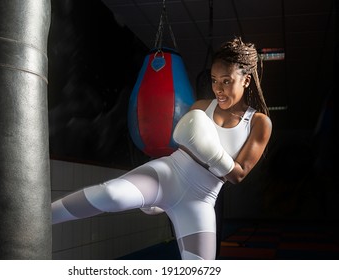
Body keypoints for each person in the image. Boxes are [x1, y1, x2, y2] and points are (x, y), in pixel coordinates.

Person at [51, 37, 272, 260]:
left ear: (246, 80)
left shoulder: (258, 123)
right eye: (214, 80)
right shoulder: (201, 107)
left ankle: (159, 203)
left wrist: (210, 152)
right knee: (110, 194)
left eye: (226, 81)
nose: (218, 89)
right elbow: (183, 144)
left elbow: (238, 174)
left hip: (201, 200)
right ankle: (40, 216)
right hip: (168, 174)